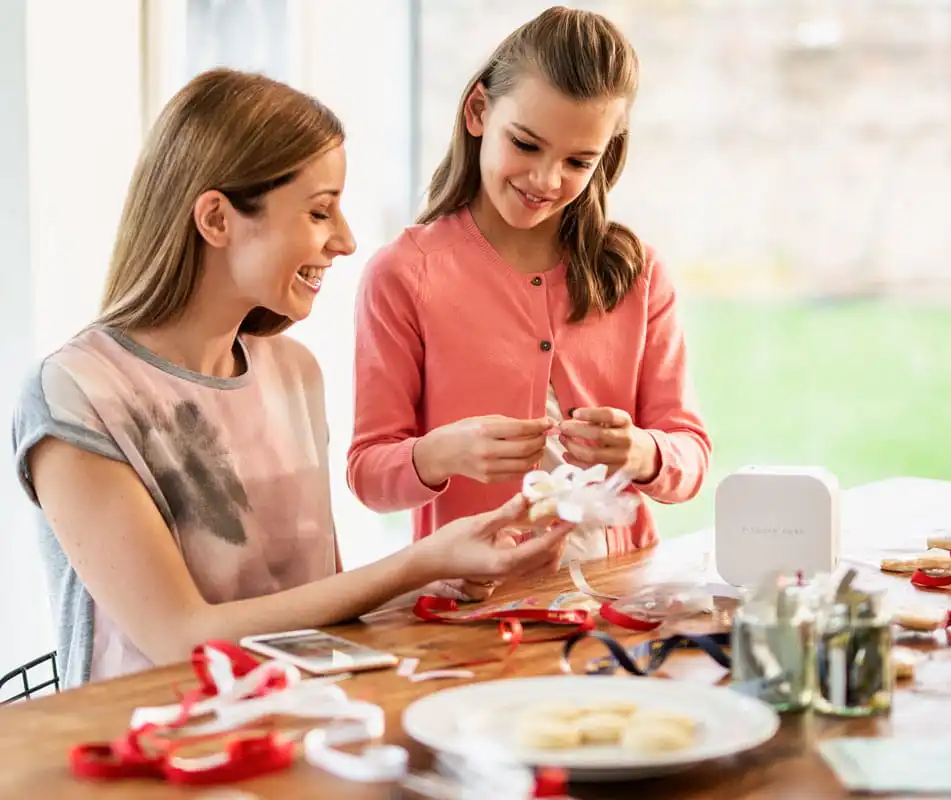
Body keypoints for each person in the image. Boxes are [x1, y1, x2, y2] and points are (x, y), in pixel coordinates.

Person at [11, 68, 568, 689]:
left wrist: (442, 576)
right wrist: (415, 564)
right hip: (146, 756)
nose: (348, 240)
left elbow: (313, 606)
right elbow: (176, 637)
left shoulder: (293, 373)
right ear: (217, 220)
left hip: (297, 722)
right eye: (319, 211)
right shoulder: (78, 395)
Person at [347, 6, 710, 598]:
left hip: (620, 598)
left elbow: (689, 456)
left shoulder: (637, 273)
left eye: (577, 162)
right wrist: (441, 454)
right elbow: (368, 475)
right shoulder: (404, 275)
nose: (546, 180)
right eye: (526, 144)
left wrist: (640, 450)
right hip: (471, 605)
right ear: (478, 112)